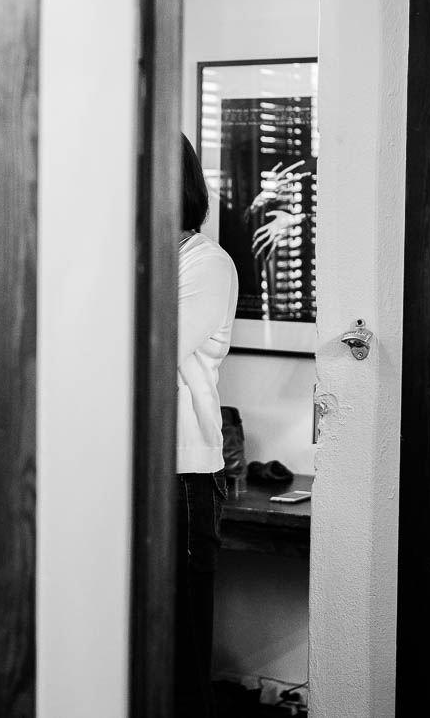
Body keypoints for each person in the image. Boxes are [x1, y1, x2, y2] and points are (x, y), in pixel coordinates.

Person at [175, 134, 239, 718]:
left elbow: (148, 347)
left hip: (184, 477)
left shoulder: (206, 263)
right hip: (123, 468)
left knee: (181, 646)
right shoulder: (136, 260)